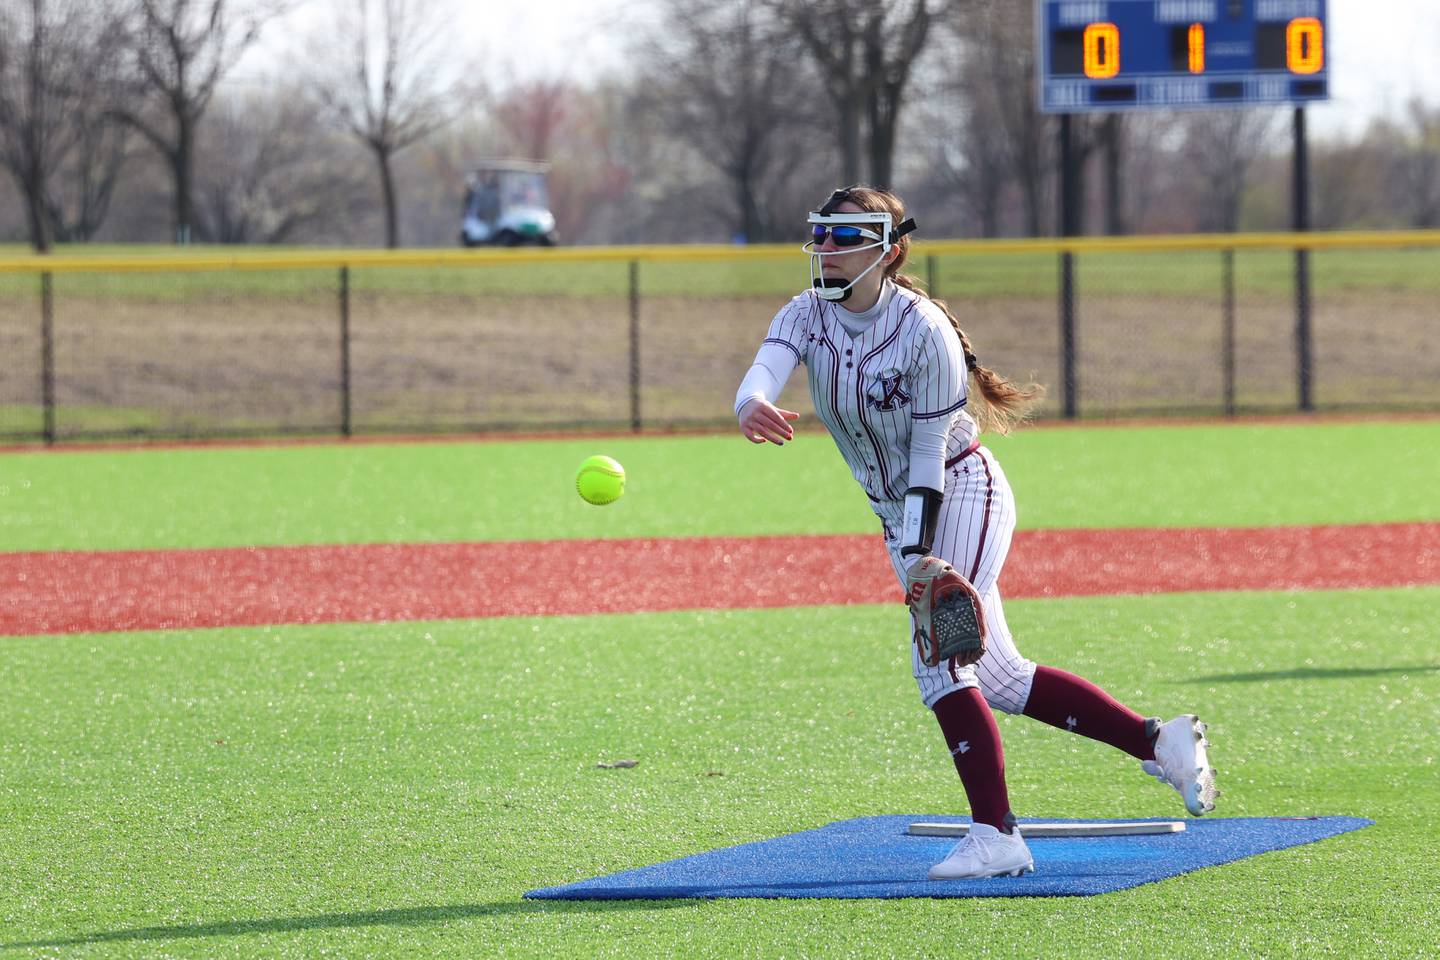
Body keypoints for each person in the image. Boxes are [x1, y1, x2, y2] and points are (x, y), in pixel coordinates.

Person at [733, 185, 1217, 880]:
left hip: (960, 491)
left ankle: (996, 834)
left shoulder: (924, 331)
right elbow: (762, 372)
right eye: (823, 236)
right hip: (903, 515)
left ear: (890, 251)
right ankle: (1156, 741)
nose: (828, 251)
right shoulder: (806, 314)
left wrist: (920, 557)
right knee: (998, 678)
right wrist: (751, 403)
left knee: (939, 659)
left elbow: (929, 462)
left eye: (847, 239)